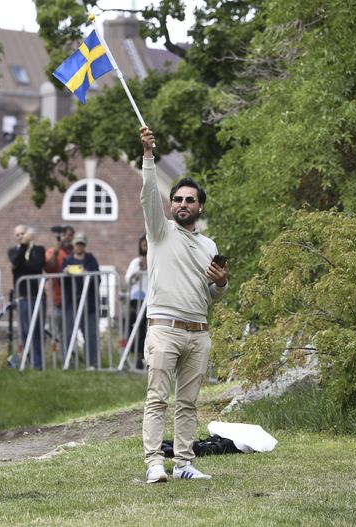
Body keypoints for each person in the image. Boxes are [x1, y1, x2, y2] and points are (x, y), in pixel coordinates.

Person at [138, 126, 229, 483]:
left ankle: (184, 464)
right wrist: (148, 156)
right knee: (157, 398)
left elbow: (214, 293)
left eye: (190, 200)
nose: (183, 204)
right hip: (164, 329)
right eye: (177, 199)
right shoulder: (159, 231)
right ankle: (154, 463)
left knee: (188, 403)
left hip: (199, 333)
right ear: (171, 204)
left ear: (199, 206)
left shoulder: (208, 245)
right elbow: (148, 196)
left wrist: (221, 282)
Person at [7, 225, 46, 368]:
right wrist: (23, 248)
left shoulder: (39, 250)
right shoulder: (13, 251)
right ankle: (28, 360)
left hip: (38, 295)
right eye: (17, 235)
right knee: (25, 330)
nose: (20, 237)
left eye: (23, 233)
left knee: (37, 330)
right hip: (23, 296)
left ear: (28, 234)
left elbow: (36, 266)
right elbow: (15, 264)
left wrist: (22, 264)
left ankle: (38, 363)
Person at [60, 232, 100, 368]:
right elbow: (60, 280)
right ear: (73, 245)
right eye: (77, 244)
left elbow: (97, 278)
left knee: (90, 333)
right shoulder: (67, 260)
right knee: (68, 332)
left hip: (88, 304)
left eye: (82, 244)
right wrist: (65, 273)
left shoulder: (91, 259)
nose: (79, 246)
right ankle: (68, 362)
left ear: (85, 245)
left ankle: (92, 362)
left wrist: (86, 272)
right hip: (71, 302)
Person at [44, 225, 75, 353]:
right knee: (58, 332)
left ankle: (72, 357)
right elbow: (49, 268)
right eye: (65, 235)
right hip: (59, 299)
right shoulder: (53, 252)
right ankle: (60, 359)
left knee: (71, 331)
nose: (67, 238)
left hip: (74, 297)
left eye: (70, 235)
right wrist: (56, 251)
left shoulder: (75, 252)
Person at [124, 235, 149, 369]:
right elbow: (128, 279)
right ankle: (134, 353)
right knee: (133, 327)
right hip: (136, 299)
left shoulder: (155, 260)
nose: (145, 247)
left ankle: (143, 355)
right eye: (143, 244)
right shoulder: (135, 262)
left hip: (150, 299)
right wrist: (139, 270)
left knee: (145, 329)